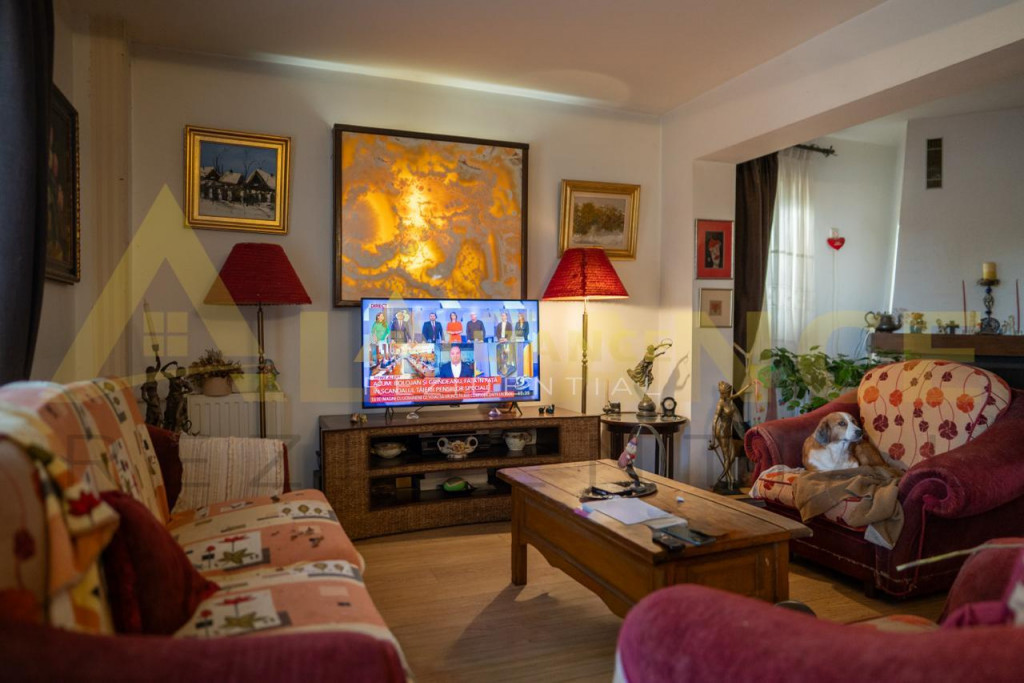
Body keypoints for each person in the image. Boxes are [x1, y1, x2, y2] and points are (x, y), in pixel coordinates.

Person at [709, 380, 750, 492]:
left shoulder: (729, 399)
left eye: (729, 393)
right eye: (726, 393)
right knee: (727, 457)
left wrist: (748, 385)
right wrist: (713, 440)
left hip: (729, 432)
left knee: (731, 457)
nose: (728, 394)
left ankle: (726, 478)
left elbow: (737, 394)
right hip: (721, 432)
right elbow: (714, 422)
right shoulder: (720, 404)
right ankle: (728, 479)